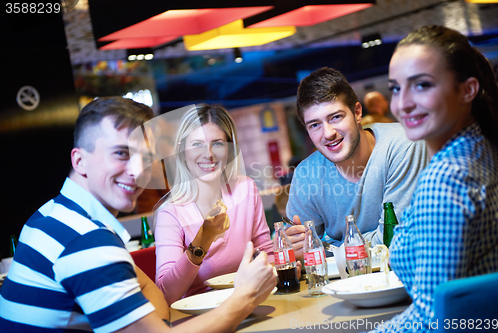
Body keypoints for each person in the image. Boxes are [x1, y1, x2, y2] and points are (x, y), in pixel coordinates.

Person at [0, 97, 276, 333]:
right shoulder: (86, 241)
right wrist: (245, 297)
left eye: (145, 158)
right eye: (121, 153)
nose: (137, 170)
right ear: (79, 160)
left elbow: (157, 302)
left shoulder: (51, 217)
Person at [371, 25, 498, 332]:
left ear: (468, 90)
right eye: (396, 88)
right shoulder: (483, 148)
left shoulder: (446, 179)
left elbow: (431, 320)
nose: (402, 104)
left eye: (422, 85)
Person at [285, 67, 429, 259]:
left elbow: (395, 239)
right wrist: (294, 249)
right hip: (344, 284)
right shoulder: (306, 173)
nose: (328, 133)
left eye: (335, 117)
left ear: (357, 112)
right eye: (315, 125)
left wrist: (328, 248)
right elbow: (294, 247)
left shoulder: (403, 146)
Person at [154, 104, 277, 305]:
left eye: (217, 143)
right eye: (197, 144)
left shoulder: (245, 189)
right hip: (198, 316)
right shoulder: (170, 213)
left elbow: (266, 254)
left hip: (248, 303)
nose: (208, 153)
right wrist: (203, 240)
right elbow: (166, 295)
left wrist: (286, 261)